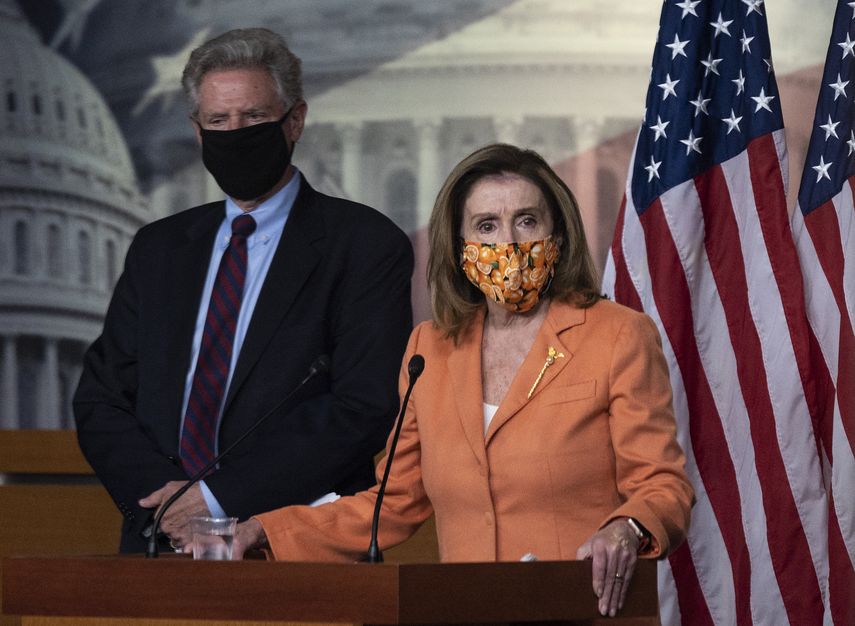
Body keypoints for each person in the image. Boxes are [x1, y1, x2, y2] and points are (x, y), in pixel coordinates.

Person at [224, 144, 694, 618]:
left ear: (558, 232)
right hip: (464, 610)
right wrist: (267, 530)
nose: (509, 242)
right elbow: (393, 501)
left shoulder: (617, 335)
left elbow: (662, 486)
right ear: (459, 245)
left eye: (527, 221)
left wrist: (627, 527)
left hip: (581, 611)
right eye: (486, 225)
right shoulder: (430, 349)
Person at [73, 28, 414, 553]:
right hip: (157, 542)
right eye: (218, 121)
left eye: (253, 118)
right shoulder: (158, 248)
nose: (234, 133)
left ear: (294, 121)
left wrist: (213, 500)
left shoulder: (365, 244)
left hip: (292, 544)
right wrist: (168, 505)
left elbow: (362, 407)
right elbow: (102, 399)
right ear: (197, 131)